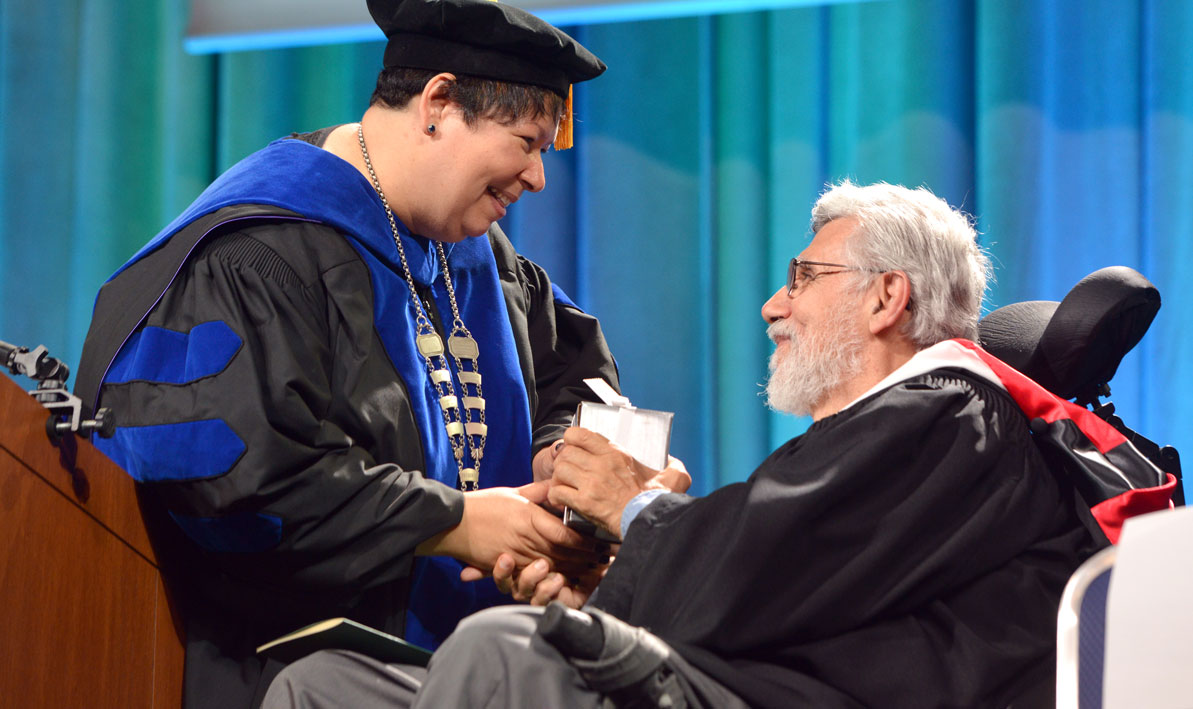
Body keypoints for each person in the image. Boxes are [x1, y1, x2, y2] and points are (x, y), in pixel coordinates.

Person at [264, 180, 1110, 708]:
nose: (775, 307)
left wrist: (633, 504)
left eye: (804, 278)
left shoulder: (952, 412)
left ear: (887, 296)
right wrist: (600, 579)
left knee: (504, 649)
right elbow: (775, 577)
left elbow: (770, 570)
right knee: (325, 683)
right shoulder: (888, 430)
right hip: (740, 679)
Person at [72, 1, 632, 706]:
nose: (536, 177)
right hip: (289, 673)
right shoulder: (257, 253)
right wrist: (454, 522)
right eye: (526, 142)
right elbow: (237, 483)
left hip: (470, 675)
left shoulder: (476, 258)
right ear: (438, 103)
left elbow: (572, 370)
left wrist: (562, 456)